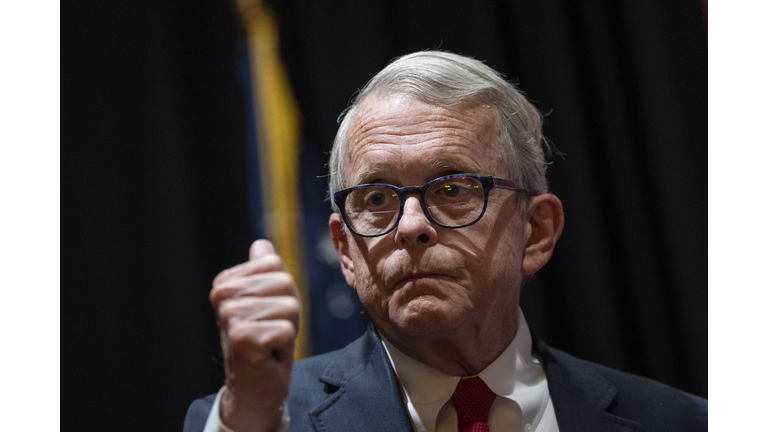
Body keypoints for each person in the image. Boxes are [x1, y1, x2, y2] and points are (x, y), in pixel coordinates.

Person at [184, 51, 707, 432]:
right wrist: (250, 416)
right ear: (346, 251)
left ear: (537, 231)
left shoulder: (683, 422)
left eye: (453, 188)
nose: (411, 225)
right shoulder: (252, 418)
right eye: (376, 198)